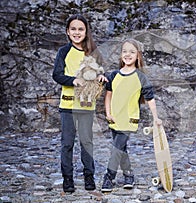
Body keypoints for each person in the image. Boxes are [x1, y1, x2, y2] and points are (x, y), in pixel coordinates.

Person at [52, 14, 106, 193]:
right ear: (68, 32)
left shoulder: (93, 52)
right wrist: (72, 80)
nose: (77, 32)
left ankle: (89, 176)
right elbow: (57, 75)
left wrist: (101, 78)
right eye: (73, 29)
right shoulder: (63, 52)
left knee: (86, 142)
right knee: (67, 143)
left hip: (86, 106)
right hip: (67, 106)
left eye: (80, 29)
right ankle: (68, 179)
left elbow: (100, 72)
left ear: (86, 31)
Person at [101, 39, 162, 192]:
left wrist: (156, 118)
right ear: (121, 55)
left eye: (132, 52)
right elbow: (108, 96)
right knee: (121, 149)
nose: (128, 54)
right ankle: (129, 176)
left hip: (129, 119)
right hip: (114, 117)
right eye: (125, 51)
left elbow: (150, 100)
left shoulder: (141, 77)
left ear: (138, 56)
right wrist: (108, 113)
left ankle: (109, 177)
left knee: (116, 148)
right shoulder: (114, 75)